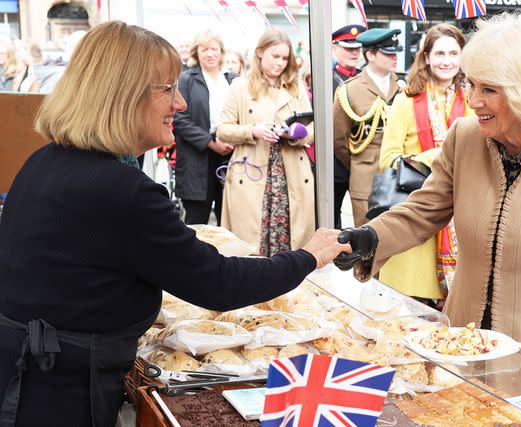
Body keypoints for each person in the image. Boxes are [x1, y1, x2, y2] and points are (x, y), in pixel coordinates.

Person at [0, 21, 350, 427]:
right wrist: (311, 255)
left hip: (31, 374)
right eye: (168, 88)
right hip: (58, 395)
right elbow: (218, 282)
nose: (181, 103)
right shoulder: (121, 189)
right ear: (122, 97)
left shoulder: (46, 160)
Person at [335, 12, 521, 398]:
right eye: (470, 84)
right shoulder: (465, 136)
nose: (473, 100)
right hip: (462, 349)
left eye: (489, 89)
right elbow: (424, 209)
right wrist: (371, 236)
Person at [378, 23, 471, 308]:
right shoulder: (407, 99)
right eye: (439, 53)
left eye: (453, 53)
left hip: (462, 216)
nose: (447, 61)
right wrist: (438, 155)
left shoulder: (473, 99)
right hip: (418, 215)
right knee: (409, 315)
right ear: (427, 57)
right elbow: (387, 160)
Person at [217, 29, 315, 256]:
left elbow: (312, 128)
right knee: (250, 245)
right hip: (251, 173)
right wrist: (254, 130)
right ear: (259, 53)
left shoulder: (296, 87)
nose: (280, 63)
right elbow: (223, 130)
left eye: (284, 58)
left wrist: (297, 134)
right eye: (275, 56)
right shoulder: (240, 87)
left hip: (290, 173)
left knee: (290, 239)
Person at [333, 28, 404, 228]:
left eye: (395, 52)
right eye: (387, 53)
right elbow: (339, 138)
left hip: (398, 175)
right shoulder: (350, 89)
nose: (394, 57)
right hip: (365, 178)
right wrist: (359, 163)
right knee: (365, 241)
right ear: (370, 55)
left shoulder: (403, 86)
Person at [173, 30, 237, 225]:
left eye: (213, 49)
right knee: (197, 222)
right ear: (196, 53)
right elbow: (179, 118)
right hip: (197, 158)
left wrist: (233, 138)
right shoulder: (186, 79)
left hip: (230, 155)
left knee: (229, 221)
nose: (209, 54)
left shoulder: (233, 79)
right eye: (204, 49)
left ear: (221, 51)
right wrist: (210, 142)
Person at [331, 24, 366, 229]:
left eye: (356, 48)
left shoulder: (364, 77)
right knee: (331, 218)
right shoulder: (325, 78)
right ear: (335, 48)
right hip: (335, 162)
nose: (353, 53)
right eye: (347, 48)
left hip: (362, 159)